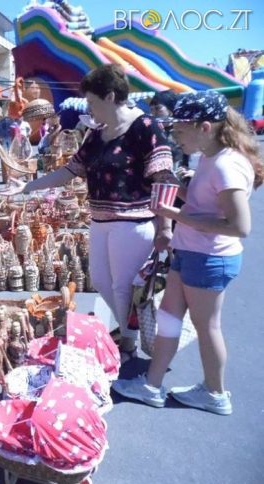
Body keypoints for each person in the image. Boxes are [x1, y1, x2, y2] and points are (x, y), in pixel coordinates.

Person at [2, 64, 176, 357]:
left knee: (122, 287)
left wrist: (166, 227)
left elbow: (164, 177)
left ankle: (129, 344)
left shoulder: (145, 127)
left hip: (133, 224)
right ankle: (128, 331)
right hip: (100, 221)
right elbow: (70, 171)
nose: (90, 109)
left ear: (110, 97)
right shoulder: (97, 134)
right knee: (100, 281)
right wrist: (28, 186)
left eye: (93, 102)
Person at [112, 91, 262, 415]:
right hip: (191, 251)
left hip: (209, 258)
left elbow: (240, 226)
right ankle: (151, 385)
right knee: (169, 317)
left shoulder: (226, 165)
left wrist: (173, 213)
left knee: (208, 328)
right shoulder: (210, 157)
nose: (174, 137)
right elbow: (203, 203)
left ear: (204, 127)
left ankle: (215, 393)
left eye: (179, 130)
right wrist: (177, 189)